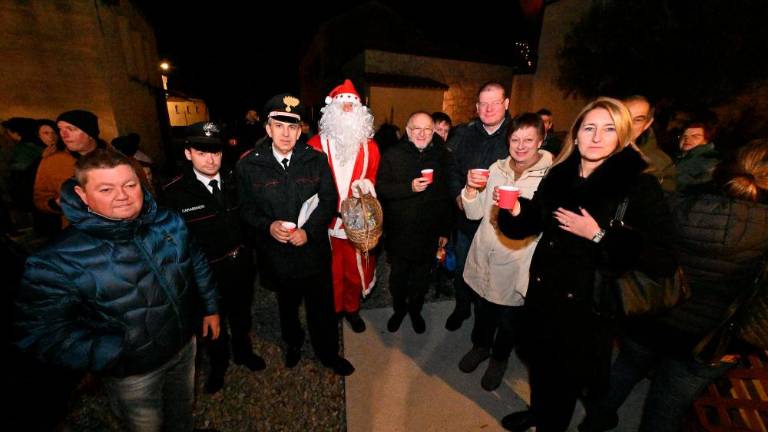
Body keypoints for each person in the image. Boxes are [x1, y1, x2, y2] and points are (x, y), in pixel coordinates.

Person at [495, 97, 676, 432]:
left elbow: (663, 257)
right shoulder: (560, 174)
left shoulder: (638, 185)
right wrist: (516, 210)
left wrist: (598, 235)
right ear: (576, 134)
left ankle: (549, 424)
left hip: (586, 310)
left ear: (622, 136)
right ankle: (539, 412)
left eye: (608, 129)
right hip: (543, 295)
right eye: (589, 128)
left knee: (564, 381)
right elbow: (535, 220)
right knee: (541, 367)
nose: (596, 137)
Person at [14, 149, 220, 431]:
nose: (122, 195)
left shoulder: (168, 222)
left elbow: (195, 262)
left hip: (184, 348)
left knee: (182, 414)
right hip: (134, 374)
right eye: (106, 189)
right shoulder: (57, 259)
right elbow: (41, 332)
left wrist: (210, 308)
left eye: (129, 185)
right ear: (82, 195)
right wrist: (112, 352)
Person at [580, 140, 768, 432]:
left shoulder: (677, 203)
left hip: (652, 312)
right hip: (706, 338)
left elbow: (638, 249)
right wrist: (741, 343)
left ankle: (593, 422)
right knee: (666, 408)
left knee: (624, 370)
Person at [237, 93, 354, 376]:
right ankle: (293, 344)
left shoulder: (315, 160)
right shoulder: (249, 165)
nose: (286, 133)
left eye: (292, 126)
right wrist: (268, 226)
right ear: (268, 128)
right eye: (279, 126)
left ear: (300, 130)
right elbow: (245, 208)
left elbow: (329, 200)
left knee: (321, 307)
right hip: (277, 254)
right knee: (287, 305)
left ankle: (328, 353)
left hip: (312, 251)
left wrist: (309, 232)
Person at [161, 121, 265, 394]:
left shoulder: (234, 181)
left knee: (241, 313)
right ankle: (218, 365)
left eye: (216, 152)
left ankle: (243, 351)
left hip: (240, 264)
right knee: (211, 320)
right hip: (205, 272)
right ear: (188, 153)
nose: (210, 159)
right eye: (202, 152)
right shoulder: (174, 192)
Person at [458, 113, 553, 391]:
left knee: (510, 318)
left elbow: (545, 223)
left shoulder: (550, 176)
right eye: (515, 139)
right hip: (486, 252)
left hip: (518, 259)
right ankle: (480, 347)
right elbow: (475, 213)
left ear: (541, 141)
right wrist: (470, 189)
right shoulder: (496, 168)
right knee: (484, 309)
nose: (520, 146)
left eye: (528, 140)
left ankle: (499, 359)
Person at [308, 79, 380, 333]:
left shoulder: (370, 147)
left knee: (354, 271)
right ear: (331, 110)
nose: (347, 110)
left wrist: (367, 185)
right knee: (330, 271)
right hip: (325, 222)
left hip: (356, 222)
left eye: (352, 105)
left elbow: (373, 177)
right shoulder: (315, 145)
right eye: (342, 105)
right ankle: (334, 310)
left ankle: (352, 309)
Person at [377, 111, 454, 333]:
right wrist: (409, 187)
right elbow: (381, 188)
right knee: (398, 279)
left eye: (427, 129)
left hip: (429, 233)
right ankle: (399, 309)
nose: (422, 133)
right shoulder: (392, 154)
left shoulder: (441, 156)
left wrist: (444, 230)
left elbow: (446, 197)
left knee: (421, 279)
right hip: (400, 232)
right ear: (408, 131)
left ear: (433, 132)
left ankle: (415, 311)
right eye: (416, 129)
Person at [446, 81, 511, 331]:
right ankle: (462, 308)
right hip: (466, 221)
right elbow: (451, 169)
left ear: (506, 104)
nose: (489, 108)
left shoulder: (515, 136)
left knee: (491, 275)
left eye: (495, 103)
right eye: (483, 104)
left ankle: (485, 323)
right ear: (476, 107)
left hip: (498, 224)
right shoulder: (464, 134)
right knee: (463, 268)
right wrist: (458, 196)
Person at [33, 110, 104, 229]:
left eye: (71, 129)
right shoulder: (52, 161)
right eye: (60, 129)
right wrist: (56, 203)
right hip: (78, 230)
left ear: (89, 132)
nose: (63, 135)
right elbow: (40, 198)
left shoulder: (117, 158)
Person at [622, 95, 676, 191]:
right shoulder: (596, 148)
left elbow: (667, 192)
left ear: (647, 123)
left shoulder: (662, 162)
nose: (628, 125)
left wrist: (646, 168)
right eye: (623, 117)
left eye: (638, 120)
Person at [675, 122, 720, 190]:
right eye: (684, 136)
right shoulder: (677, 157)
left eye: (695, 136)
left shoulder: (709, 159)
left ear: (706, 140)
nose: (687, 139)